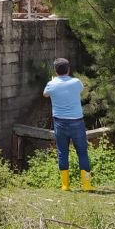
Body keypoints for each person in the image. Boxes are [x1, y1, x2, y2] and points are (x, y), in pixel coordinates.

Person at [42, 58, 95, 192]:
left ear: (55, 70)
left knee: (62, 152)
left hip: (60, 123)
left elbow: (45, 94)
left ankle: (65, 185)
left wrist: (53, 81)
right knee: (82, 152)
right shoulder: (76, 82)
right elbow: (81, 89)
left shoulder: (51, 84)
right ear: (68, 69)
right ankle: (86, 185)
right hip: (77, 122)